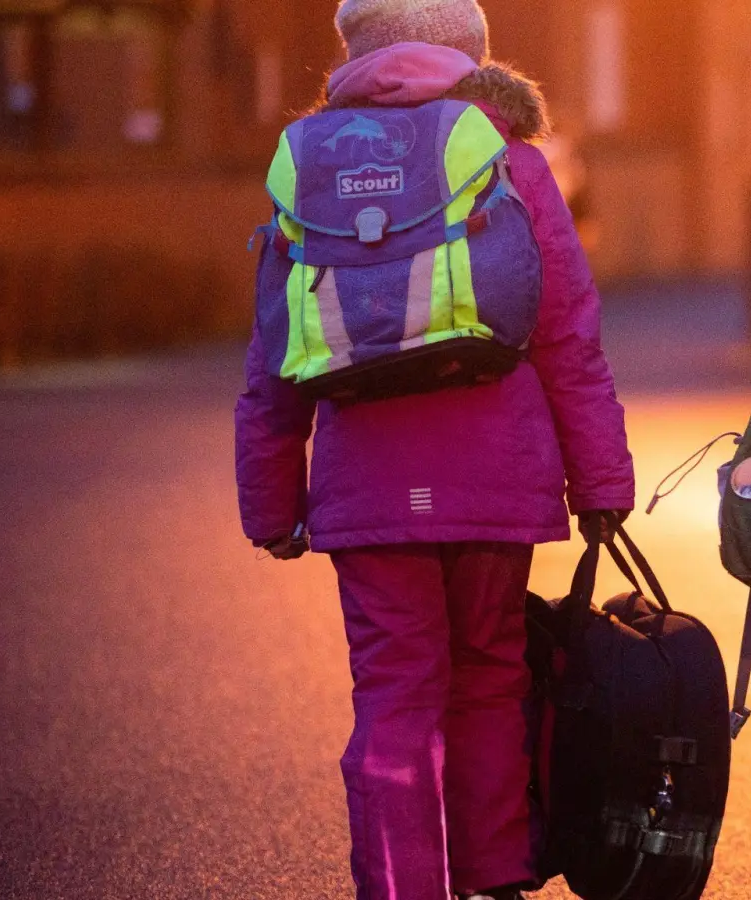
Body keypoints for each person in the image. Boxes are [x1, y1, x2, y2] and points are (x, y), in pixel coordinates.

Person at [234, 2, 635, 897]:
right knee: (491, 675)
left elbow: (273, 356)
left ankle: (399, 882)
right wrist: (600, 481)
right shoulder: (512, 162)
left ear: (358, 55)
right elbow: (568, 333)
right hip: (495, 484)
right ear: (472, 57)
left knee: (393, 692)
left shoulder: (312, 170)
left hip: (367, 492)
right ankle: (493, 876)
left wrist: (271, 500)